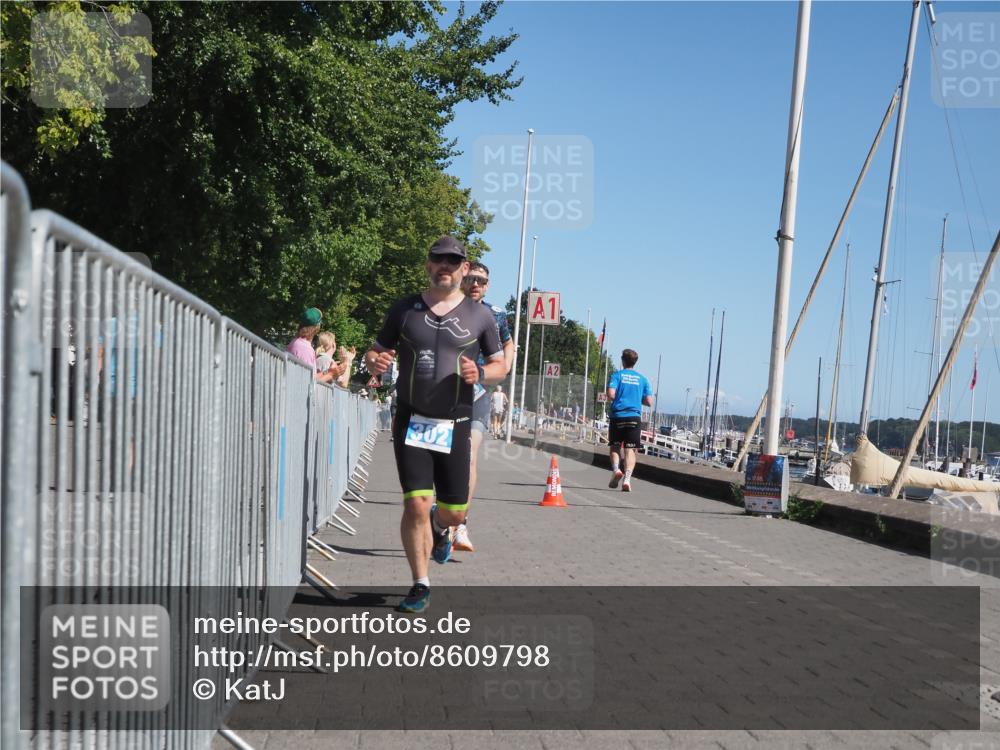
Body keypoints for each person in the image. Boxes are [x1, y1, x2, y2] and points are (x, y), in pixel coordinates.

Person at [364, 236, 505, 613]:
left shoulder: (481, 316)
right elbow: (375, 350)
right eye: (438, 259)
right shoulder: (404, 309)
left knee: (454, 511)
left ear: (464, 267)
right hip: (411, 418)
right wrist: (373, 361)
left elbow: (500, 364)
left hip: (456, 421)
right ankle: (420, 583)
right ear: (428, 265)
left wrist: (483, 373)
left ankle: (441, 529)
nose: (445, 265)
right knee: (415, 504)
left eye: (453, 261)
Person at [453, 261, 515, 553]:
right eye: (472, 278)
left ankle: (460, 523)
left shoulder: (496, 314)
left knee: (468, 457)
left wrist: (505, 366)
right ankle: (444, 516)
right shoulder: (446, 308)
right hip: (443, 395)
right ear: (463, 279)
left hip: (477, 395)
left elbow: (508, 343)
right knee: (441, 460)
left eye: (482, 280)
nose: (476, 284)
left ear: (487, 285)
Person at [607, 348, 653, 492]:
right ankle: (627, 479)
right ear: (635, 362)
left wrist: (620, 397)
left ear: (622, 360)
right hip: (634, 417)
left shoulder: (617, 375)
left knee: (615, 447)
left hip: (618, 416)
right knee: (630, 449)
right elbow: (649, 401)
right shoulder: (643, 379)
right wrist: (636, 398)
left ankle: (616, 470)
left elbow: (611, 394)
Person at [287, 308, 340, 383]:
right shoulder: (304, 348)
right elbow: (309, 383)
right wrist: (331, 375)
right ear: (317, 328)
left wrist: (328, 371)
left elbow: (311, 376)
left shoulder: (298, 342)